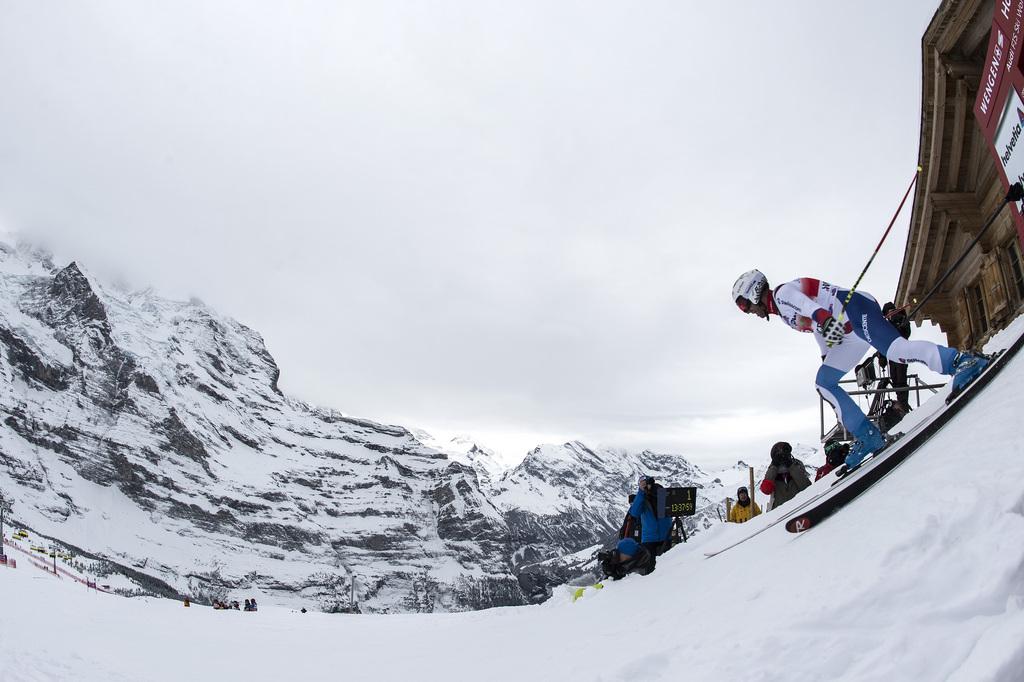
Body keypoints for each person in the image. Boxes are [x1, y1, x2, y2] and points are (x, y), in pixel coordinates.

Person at [732, 271, 990, 469]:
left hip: (854, 309)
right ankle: (868, 436)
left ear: (754, 292)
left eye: (745, 305)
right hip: (845, 333)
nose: (747, 311)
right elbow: (815, 328)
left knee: (896, 350)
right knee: (824, 381)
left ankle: (961, 361)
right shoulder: (784, 314)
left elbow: (808, 306)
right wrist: (827, 355)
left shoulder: (782, 294)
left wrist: (824, 317)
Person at [627, 475, 674, 568]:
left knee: (668, 567)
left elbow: (670, 507)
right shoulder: (641, 498)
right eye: (641, 483)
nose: (644, 484)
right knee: (650, 568)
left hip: (664, 536)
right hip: (649, 539)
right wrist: (641, 492)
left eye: (645, 482)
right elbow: (634, 512)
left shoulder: (660, 492)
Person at [759, 442, 811, 510]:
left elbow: (807, 487)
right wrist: (774, 466)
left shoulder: (797, 465)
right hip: (780, 512)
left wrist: (791, 466)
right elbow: (766, 489)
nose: (782, 456)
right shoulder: (773, 471)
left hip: (799, 507)